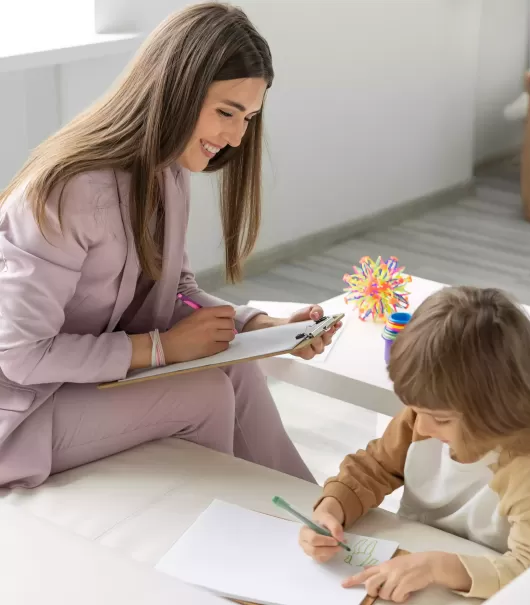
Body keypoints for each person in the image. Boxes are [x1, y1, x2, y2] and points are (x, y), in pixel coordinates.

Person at [0, 2, 338, 488]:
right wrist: (161, 349)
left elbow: (175, 290)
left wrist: (258, 328)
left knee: (238, 371)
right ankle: (230, 534)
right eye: (226, 112)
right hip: (23, 410)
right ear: (176, 89)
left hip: (81, 385)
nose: (237, 138)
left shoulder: (167, 172)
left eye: (247, 118)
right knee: (204, 394)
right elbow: (20, 355)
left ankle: (314, 515)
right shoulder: (68, 191)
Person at [299, 286, 530, 602]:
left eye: (441, 419)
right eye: (417, 411)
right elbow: (372, 468)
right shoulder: (422, 418)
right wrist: (331, 511)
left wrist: (438, 566)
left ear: (497, 410)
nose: (423, 426)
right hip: (411, 567)